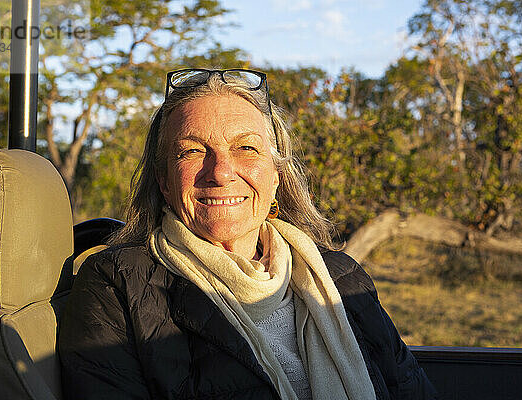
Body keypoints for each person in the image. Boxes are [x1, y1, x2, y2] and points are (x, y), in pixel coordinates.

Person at [58, 68, 438, 400]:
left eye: (245, 148)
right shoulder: (117, 285)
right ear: (164, 182)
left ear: (276, 177)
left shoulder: (341, 277)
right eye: (192, 151)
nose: (221, 171)